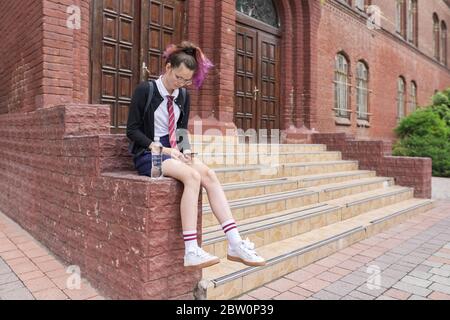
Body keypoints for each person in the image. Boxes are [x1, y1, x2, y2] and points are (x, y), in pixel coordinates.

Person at [126, 41, 265, 270]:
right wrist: (159, 147)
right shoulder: (146, 90)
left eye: (187, 80)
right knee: (192, 177)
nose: (181, 84)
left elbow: (180, 130)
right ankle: (191, 250)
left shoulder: (183, 96)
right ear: (168, 67)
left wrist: (186, 149)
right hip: (149, 153)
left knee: (209, 174)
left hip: (173, 151)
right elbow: (131, 131)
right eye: (178, 77)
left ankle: (234, 243)